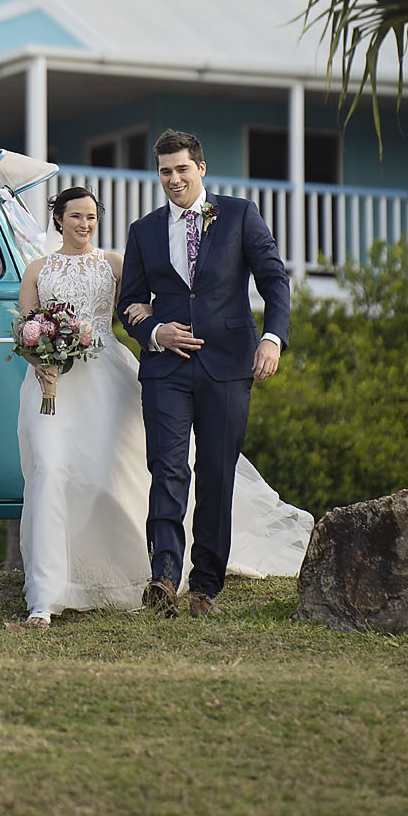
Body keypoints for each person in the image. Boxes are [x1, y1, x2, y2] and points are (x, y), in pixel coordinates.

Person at [17, 182, 309, 629]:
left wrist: (270, 337)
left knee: (151, 473)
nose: (84, 223)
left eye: (91, 217)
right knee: (59, 471)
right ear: (58, 218)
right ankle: (61, 588)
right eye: (75, 216)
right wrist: (45, 355)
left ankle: (184, 580)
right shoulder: (57, 262)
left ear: (199, 169)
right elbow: (33, 325)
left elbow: (142, 300)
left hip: (130, 373)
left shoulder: (121, 257)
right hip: (65, 383)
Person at [119, 129, 291, 620]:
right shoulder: (144, 230)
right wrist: (155, 332)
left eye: (181, 169)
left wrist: (272, 339)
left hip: (230, 364)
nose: (173, 179)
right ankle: (163, 578)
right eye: (165, 172)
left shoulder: (239, 214)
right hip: (165, 371)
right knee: (167, 470)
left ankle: (205, 587)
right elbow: (129, 301)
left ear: (201, 168)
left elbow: (274, 280)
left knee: (216, 474)